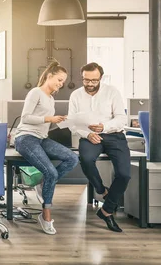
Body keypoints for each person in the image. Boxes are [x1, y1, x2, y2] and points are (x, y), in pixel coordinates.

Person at [14, 61, 79, 235]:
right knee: (51, 172)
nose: (61, 84)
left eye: (63, 81)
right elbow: (26, 117)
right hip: (26, 137)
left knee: (72, 158)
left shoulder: (51, 98)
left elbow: (44, 124)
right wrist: (50, 119)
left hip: (41, 138)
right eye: (59, 79)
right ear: (49, 76)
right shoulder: (36, 92)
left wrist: (60, 121)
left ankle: (43, 184)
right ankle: (46, 215)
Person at [69, 62, 129, 232]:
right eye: (86, 80)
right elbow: (72, 123)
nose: (89, 84)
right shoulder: (76, 95)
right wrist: (86, 134)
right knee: (86, 159)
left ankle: (106, 210)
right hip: (89, 136)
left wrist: (104, 127)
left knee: (124, 175)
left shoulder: (112, 92)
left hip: (114, 135)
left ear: (100, 78)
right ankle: (102, 190)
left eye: (94, 80)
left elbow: (121, 118)